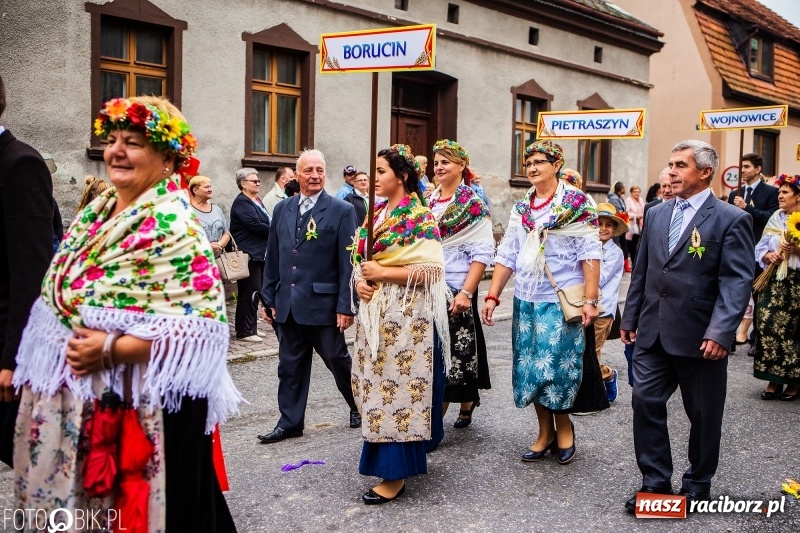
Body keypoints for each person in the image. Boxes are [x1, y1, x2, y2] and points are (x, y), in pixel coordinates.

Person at [13, 96, 241, 531]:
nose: (116, 150)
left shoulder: (174, 225)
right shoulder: (93, 217)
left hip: (146, 407)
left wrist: (111, 348)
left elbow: (203, 332)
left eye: (132, 142)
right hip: (82, 398)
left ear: (169, 159)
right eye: (113, 139)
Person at [621, 140, 754, 511]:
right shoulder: (657, 212)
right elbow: (644, 270)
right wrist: (629, 317)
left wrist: (720, 332)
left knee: (703, 415)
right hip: (652, 331)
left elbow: (736, 281)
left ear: (705, 171)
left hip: (700, 336)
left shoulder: (731, 218)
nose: (672, 171)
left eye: (681, 165)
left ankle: (697, 483)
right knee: (645, 400)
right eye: (670, 164)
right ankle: (655, 483)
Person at [481, 140, 601, 466]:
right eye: (528, 162)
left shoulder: (577, 203)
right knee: (529, 370)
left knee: (556, 371)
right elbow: (507, 254)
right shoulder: (523, 208)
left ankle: (564, 428)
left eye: (539, 162)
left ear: (556, 164)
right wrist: (492, 295)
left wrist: (592, 300)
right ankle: (543, 431)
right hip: (526, 299)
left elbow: (590, 253)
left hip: (559, 301)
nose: (532, 167)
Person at [350, 144, 449, 504]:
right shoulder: (373, 213)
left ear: (402, 176)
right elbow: (362, 261)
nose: (373, 178)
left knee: (398, 390)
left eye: (380, 171)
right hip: (374, 314)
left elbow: (433, 270)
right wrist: (361, 280)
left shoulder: (420, 216)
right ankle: (388, 459)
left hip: (408, 320)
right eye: (373, 171)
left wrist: (384, 272)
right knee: (372, 386)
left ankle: (395, 474)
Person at [259, 148, 361, 443]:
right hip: (288, 306)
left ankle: (358, 405)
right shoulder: (283, 209)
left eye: (319, 170)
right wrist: (269, 299)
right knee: (289, 366)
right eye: (308, 170)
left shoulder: (342, 210)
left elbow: (348, 263)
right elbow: (274, 256)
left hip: (324, 305)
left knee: (337, 358)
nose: (315, 175)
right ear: (297, 175)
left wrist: (347, 306)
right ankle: (290, 422)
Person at [0, 74, 54, 467]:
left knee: (31, 458)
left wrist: (13, 358)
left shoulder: (19, 163)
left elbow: (29, 270)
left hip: (7, 345)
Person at [429, 139, 493, 429]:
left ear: (461, 165)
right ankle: (465, 402)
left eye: (446, 161)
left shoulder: (472, 203)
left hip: (458, 283)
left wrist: (467, 292)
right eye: (437, 162)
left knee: (457, 350)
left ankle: (436, 422)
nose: (439, 166)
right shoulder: (430, 201)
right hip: (430, 285)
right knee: (443, 349)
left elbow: (481, 252)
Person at [752, 173, 800, 401]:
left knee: (793, 329)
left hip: (797, 282)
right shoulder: (775, 218)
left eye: (785, 192)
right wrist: (769, 255)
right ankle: (773, 377)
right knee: (767, 324)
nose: (779, 195)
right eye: (779, 192)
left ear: (798, 197)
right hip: (774, 280)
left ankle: (793, 381)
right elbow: (759, 247)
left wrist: (796, 250)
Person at [727, 153, 779, 357]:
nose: (742, 171)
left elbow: (771, 219)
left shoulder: (771, 192)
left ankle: (756, 339)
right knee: (733, 296)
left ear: (757, 169)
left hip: (759, 253)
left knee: (759, 299)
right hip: (737, 252)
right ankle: (729, 337)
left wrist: (747, 208)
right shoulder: (734, 194)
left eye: (746, 167)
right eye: (741, 167)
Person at [230, 167, 270, 342]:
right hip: (248, 254)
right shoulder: (242, 202)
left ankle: (250, 327)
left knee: (256, 290)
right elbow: (255, 225)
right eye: (254, 181)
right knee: (248, 292)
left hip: (258, 254)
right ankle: (245, 331)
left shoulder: (255, 200)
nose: (258, 183)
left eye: (258, 180)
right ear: (243, 184)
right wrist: (277, 230)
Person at [592, 203, 626, 403]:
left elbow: (600, 278)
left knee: (592, 354)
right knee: (583, 352)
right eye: (599, 224)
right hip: (583, 307)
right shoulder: (590, 246)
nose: (603, 228)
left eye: (608, 225)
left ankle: (608, 375)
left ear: (614, 230)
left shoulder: (615, 253)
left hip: (603, 311)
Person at [189, 175, 231, 257]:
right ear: (195, 190)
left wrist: (219, 245)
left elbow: (226, 233)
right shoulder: (188, 210)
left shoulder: (216, 209)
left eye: (210, 187)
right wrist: (207, 248)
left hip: (219, 260)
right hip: (198, 259)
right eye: (206, 187)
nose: (210, 190)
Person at [607, 181, 630, 272]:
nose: (625, 189)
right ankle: (614, 266)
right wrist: (625, 215)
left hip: (622, 224)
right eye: (624, 187)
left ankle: (625, 266)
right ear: (621, 189)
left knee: (624, 245)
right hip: (617, 224)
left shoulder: (620, 198)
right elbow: (619, 211)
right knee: (616, 244)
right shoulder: (614, 199)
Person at [625, 185, 645, 266]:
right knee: (630, 245)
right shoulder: (628, 200)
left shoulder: (641, 200)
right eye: (634, 191)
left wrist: (641, 216)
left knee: (637, 244)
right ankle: (631, 263)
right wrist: (636, 216)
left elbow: (644, 211)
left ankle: (635, 263)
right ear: (631, 193)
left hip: (639, 225)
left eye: (638, 191)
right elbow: (626, 213)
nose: (636, 193)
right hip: (631, 225)